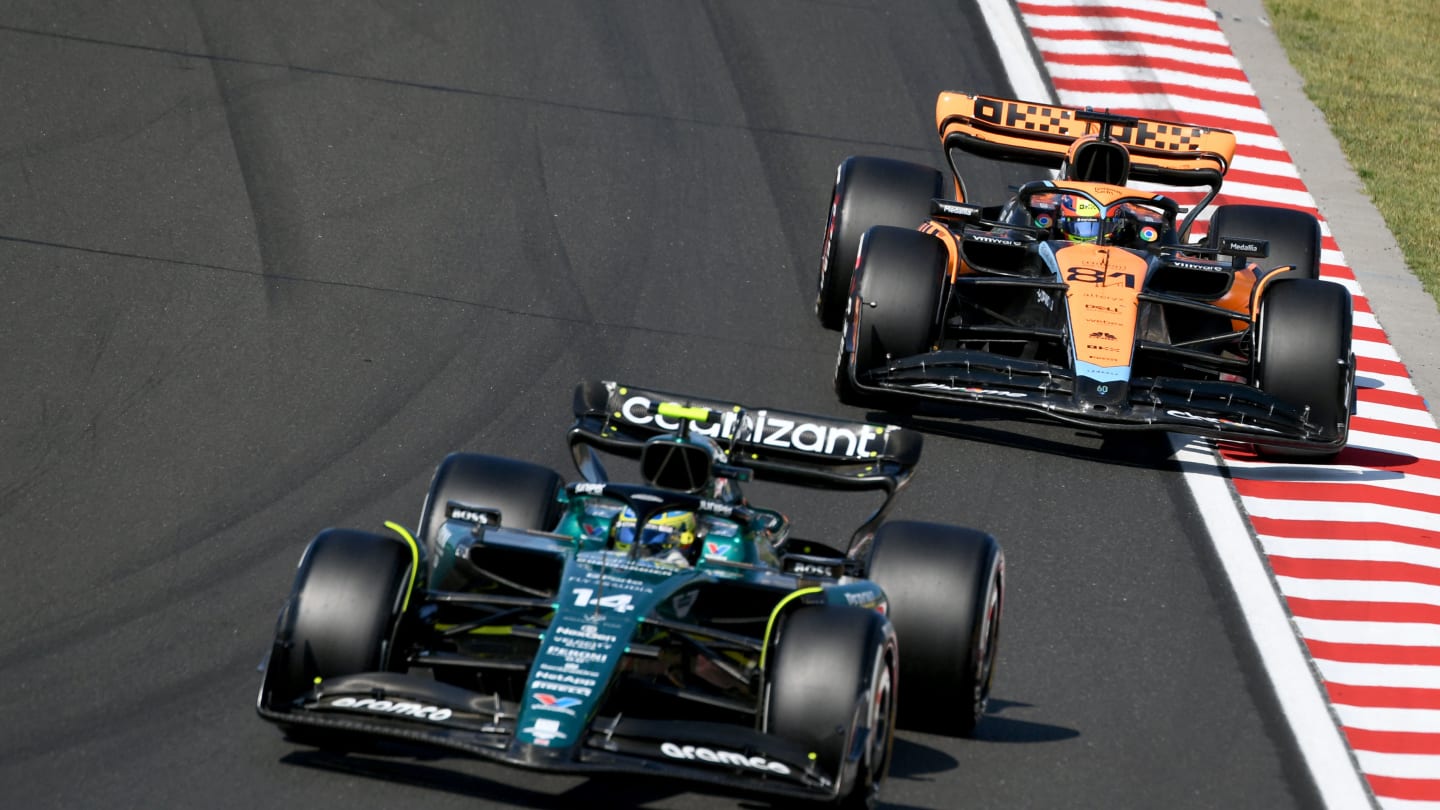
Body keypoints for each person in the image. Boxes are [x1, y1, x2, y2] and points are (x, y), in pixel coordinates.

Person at [612, 507, 698, 566]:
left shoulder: (677, 562)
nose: (640, 544)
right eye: (632, 531)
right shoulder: (609, 557)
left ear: (684, 538)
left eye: (652, 534)